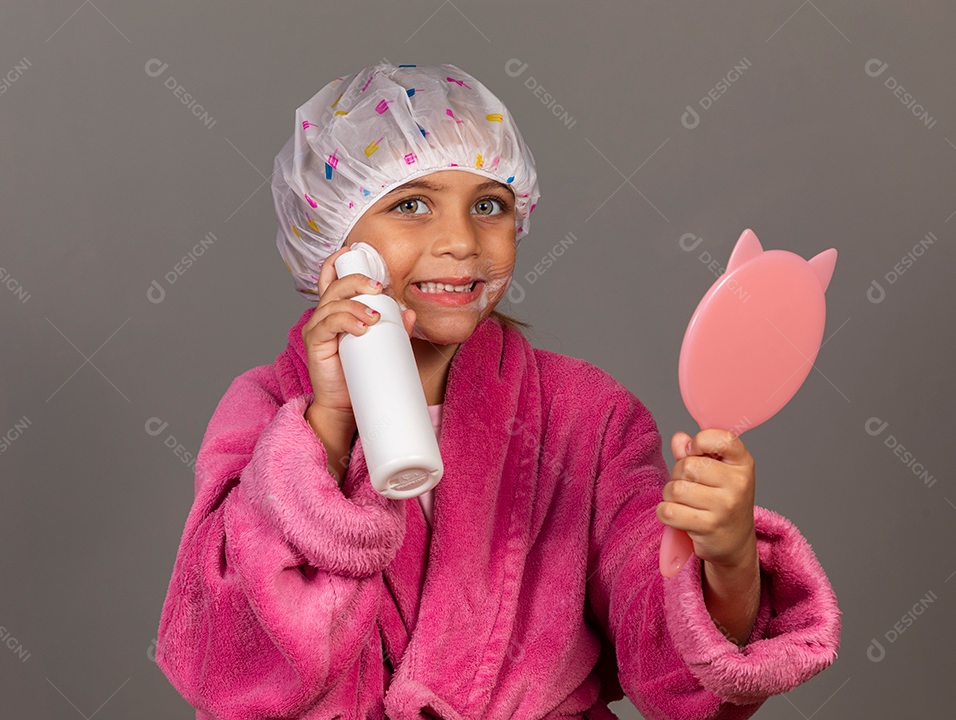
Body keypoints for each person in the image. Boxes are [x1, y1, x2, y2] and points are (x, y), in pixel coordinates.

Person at [155, 62, 841, 720]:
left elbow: (667, 666)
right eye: (412, 204)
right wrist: (329, 425)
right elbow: (228, 661)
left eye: (489, 205)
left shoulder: (585, 417)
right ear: (332, 239)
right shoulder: (264, 408)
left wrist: (726, 559)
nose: (461, 240)